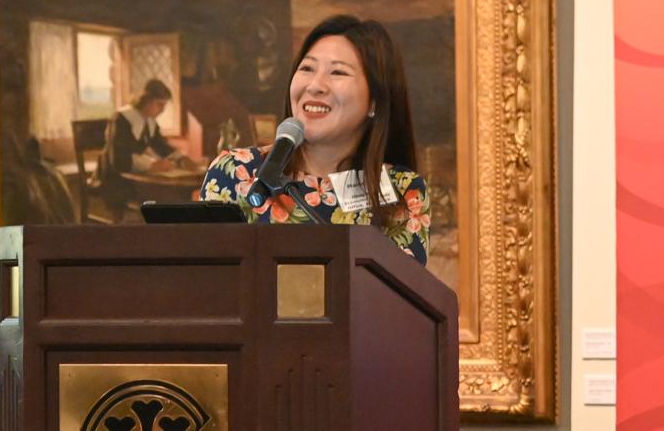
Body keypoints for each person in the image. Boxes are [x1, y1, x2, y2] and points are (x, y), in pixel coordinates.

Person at [198, 14, 430, 265]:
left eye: (338, 72)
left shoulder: (401, 190)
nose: (315, 85)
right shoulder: (235, 172)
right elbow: (207, 285)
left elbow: (396, 299)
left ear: (375, 100)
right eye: (307, 68)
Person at [97, 78, 190, 208]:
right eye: (159, 105)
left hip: (138, 176)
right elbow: (118, 159)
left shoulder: (150, 121)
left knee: (175, 195)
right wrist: (151, 165)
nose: (162, 110)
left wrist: (182, 159)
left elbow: (160, 146)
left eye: (164, 106)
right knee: (164, 197)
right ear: (146, 100)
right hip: (115, 178)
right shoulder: (121, 119)